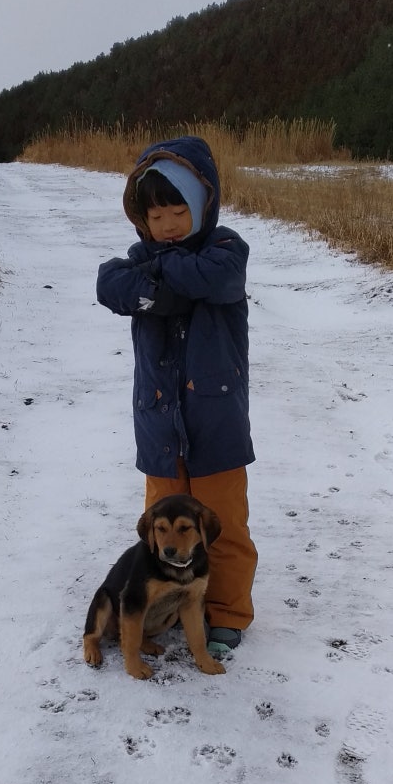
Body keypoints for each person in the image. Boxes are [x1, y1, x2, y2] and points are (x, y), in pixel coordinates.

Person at [96, 135, 257, 656]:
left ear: (203, 204)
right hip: (160, 426)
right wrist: (157, 284)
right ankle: (163, 607)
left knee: (221, 528)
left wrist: (159, 279)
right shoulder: (136, 258)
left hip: (217, 423)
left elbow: (214, 278)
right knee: (161, 529)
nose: (166, 226)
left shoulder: (226, 250)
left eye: (177, 211)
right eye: (156, 216)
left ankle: (227, 613)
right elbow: (110, 285)